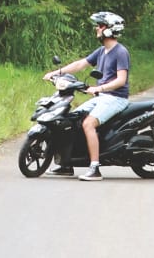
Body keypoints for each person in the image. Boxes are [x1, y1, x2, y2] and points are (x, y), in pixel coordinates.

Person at [43, 11, 130, 181]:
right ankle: (66, 164)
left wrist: (99, 88)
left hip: (115, 98)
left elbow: (121, 80)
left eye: (100, 26)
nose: (97, 29)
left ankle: (95, 168)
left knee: (88, 123)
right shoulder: (102, 51)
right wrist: (56, 73)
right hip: (102, 97)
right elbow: (80, 64)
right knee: (71, 119)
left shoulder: (121, 52)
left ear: (110, 29)